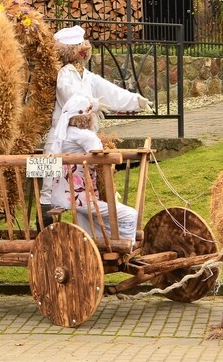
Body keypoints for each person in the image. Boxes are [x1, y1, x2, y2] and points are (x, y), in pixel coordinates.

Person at [40, 25, 150, 210]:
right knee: (49, 178)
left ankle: (89, 209)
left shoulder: (88, 76)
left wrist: (135, 100)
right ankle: (45, 219)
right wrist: (91, 103)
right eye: (81, 45)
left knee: (85, 175)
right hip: (63, 134)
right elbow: (69, 94)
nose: (85, 49)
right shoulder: (65, 74)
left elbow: (110, 91)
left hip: (83, 137)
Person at [45, 94, 138, 242]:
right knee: (130, 214)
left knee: (88, 223)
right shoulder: (84, 136)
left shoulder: (63, 135)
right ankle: (126, 245)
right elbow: (99, 153)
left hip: (62, 195)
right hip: (80, 198)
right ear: (86, 117)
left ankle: (96, 246)